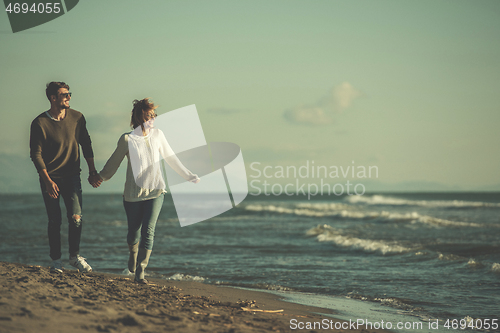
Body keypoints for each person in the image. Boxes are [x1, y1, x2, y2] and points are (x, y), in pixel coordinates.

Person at [95, 98, 199, 284]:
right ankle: (133, 254)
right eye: (149, 115)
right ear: (139, 116)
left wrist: (189, 175)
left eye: (154, 115)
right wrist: (101, 177)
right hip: (133, 194)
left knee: (149, 231)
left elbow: (171, 158)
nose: (153, 119)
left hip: (156, 191)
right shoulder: (127, 139)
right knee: (133, 233)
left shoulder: (158, 135)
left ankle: (140, 272)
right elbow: (114, 162)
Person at [30, 81, 100, 273]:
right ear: (53, 98)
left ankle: (74, 257)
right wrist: (47, 181)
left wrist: (92, 171)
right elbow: (36, 155)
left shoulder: (77, 118)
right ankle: (56, 261)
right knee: (55, 220)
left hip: (72, 177)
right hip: (50, 177)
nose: (69, 97)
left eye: (69, 94)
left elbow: (86, 144)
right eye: (64, 94)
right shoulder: (39, 123)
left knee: (76, 217)